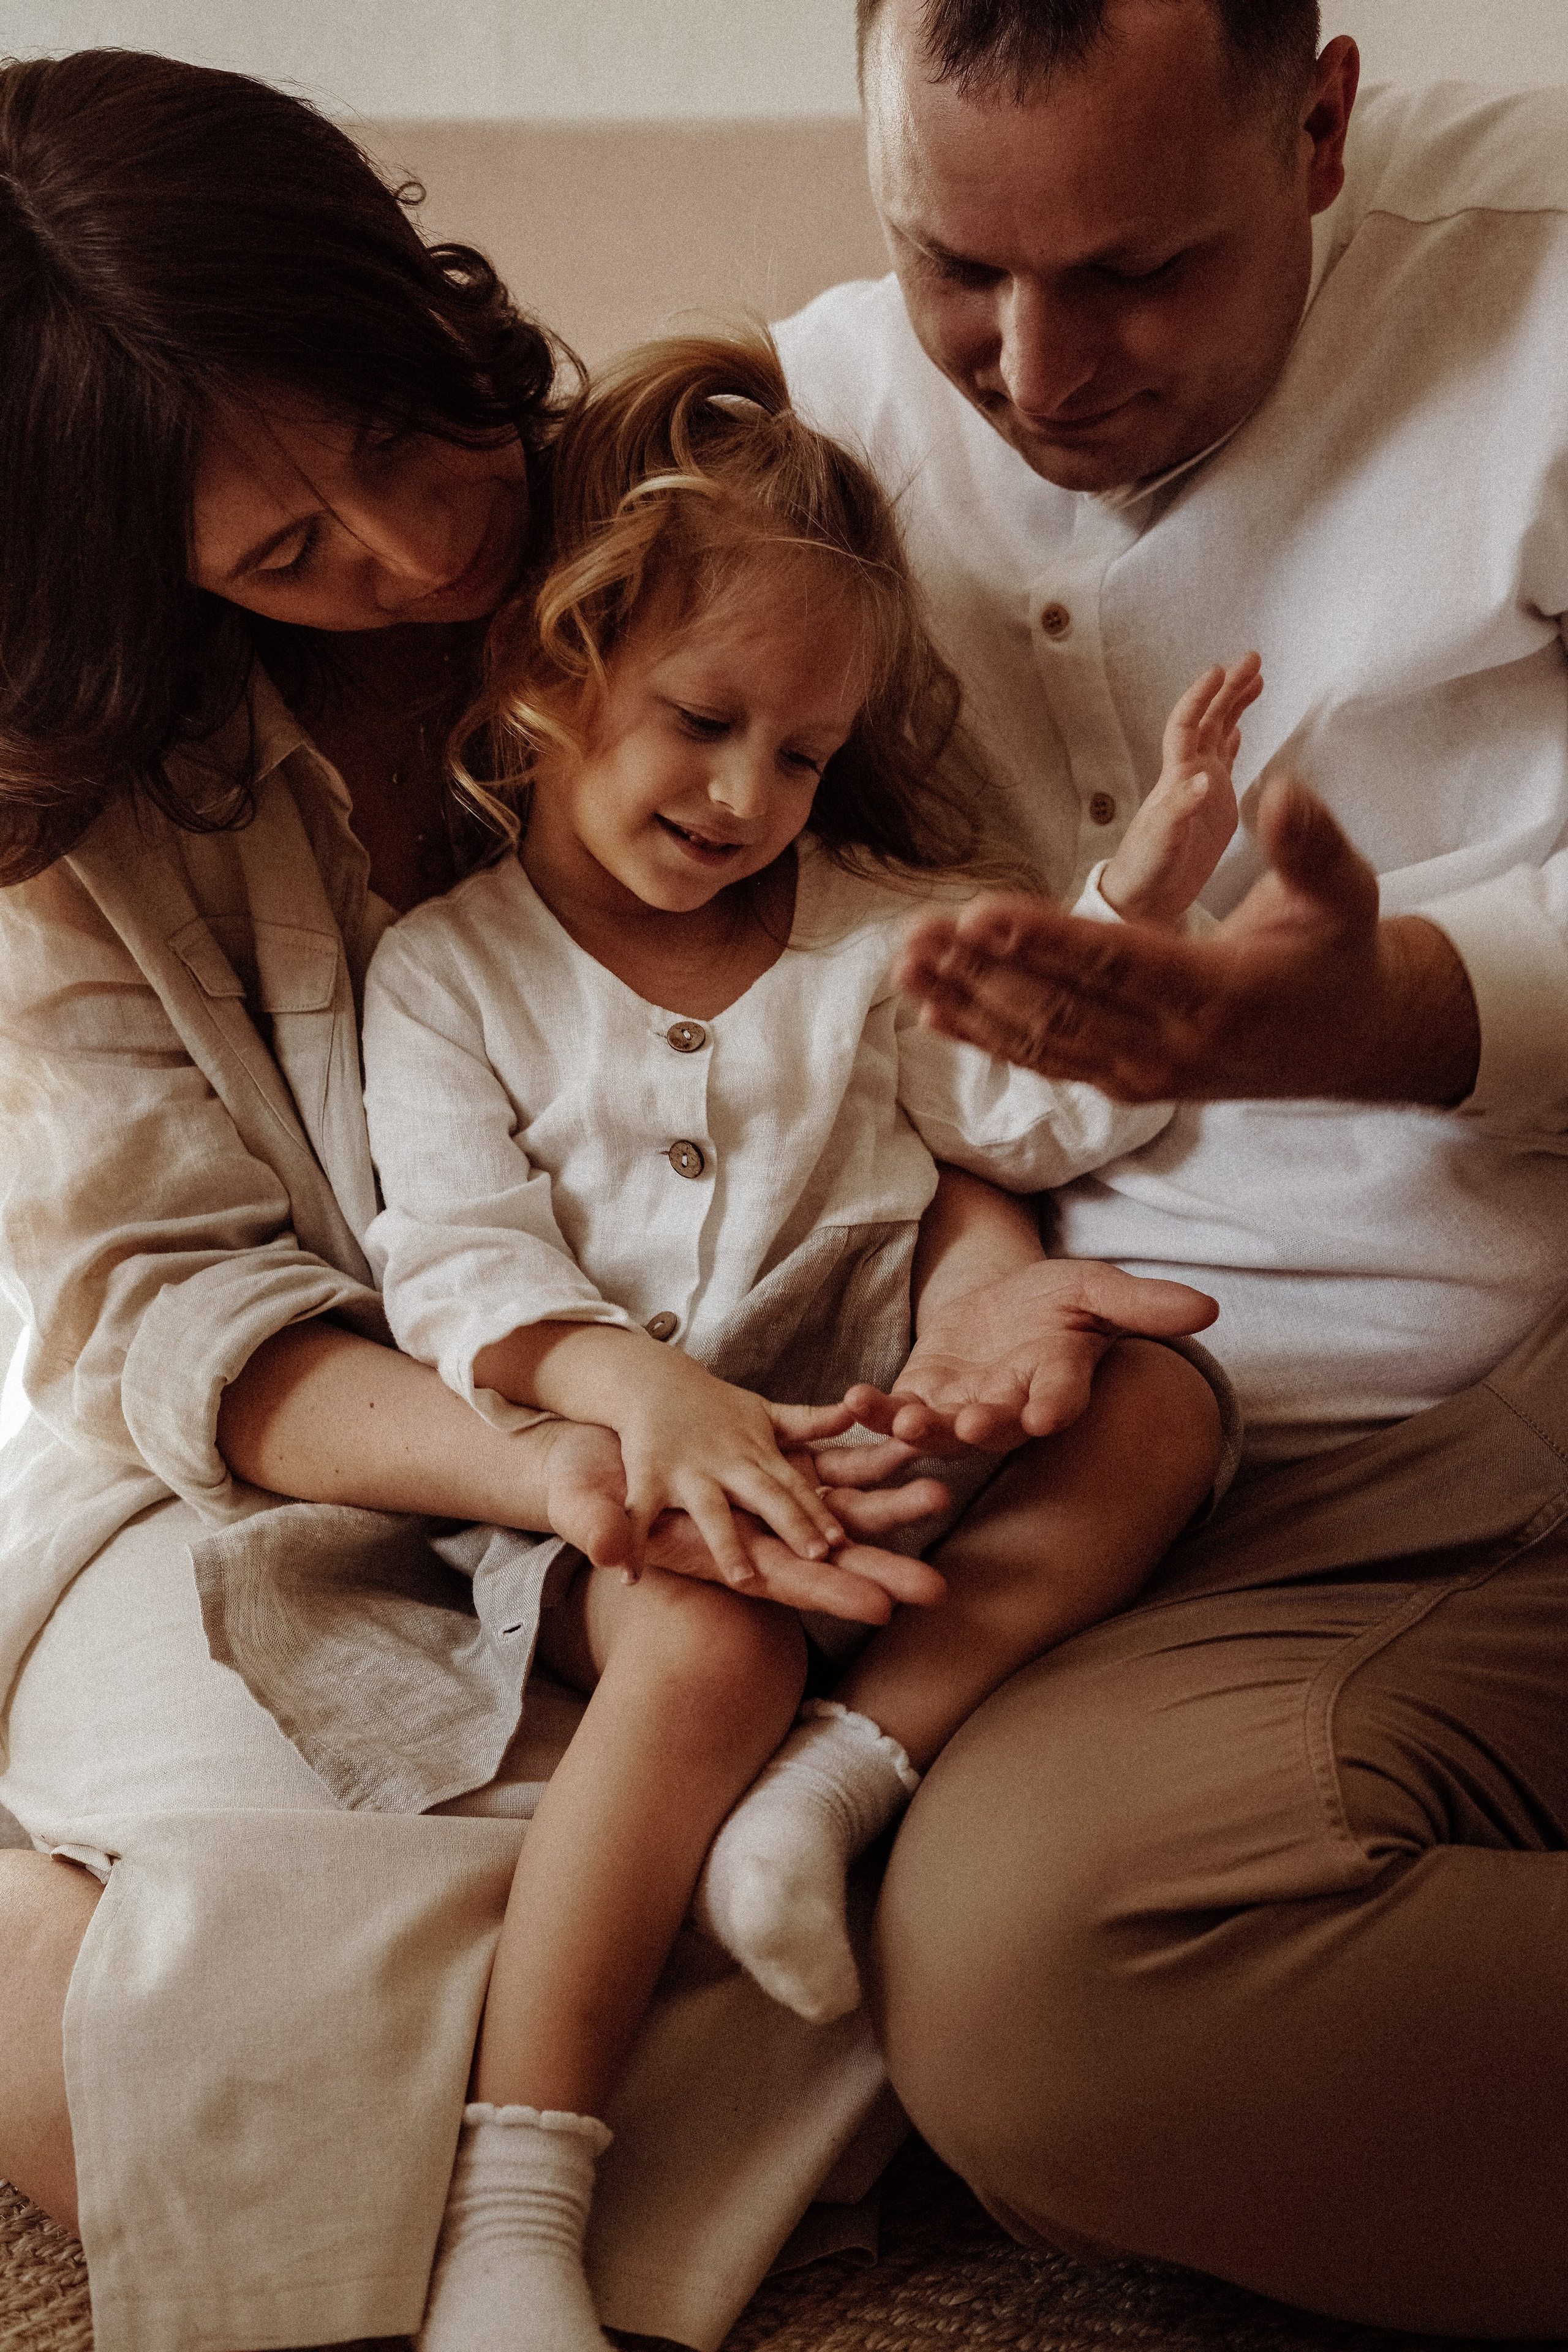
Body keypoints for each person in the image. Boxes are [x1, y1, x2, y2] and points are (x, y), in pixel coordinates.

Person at [0, 43, 1226, 2352]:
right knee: (209, 1963)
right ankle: (442, 2119)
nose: (408, 551)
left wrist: (983, 1286)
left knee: (876, 1778)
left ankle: (549, 2060)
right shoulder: (96, 811)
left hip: (788, 1400)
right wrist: (581, 1454)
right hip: (337, 1474)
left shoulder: (704, 505)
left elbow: (934, 993)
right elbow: (177, 1317)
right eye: (285, 550)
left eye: (389, 434)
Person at [776, 0, 1568, 2335]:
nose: (1035, 367)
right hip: (1189, 1471)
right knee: (1026, 1994)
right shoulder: (806, 423)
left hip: (1535, 1324)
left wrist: (1399, 1009)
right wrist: (974, 1273)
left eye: (1135, 271)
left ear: (1317, 123)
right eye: (960, 267)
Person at [357, 328, 1250, 2349]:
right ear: (548, 670)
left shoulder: (876, 934)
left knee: (1169, 1405)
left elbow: (1033, 1121)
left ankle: (836, 1782)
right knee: (711, 1631)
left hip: (879, 1457)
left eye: (807, 755)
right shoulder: (451, 976)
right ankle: (517, 2212)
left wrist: (1137, 909)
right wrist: (639, 1396)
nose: (751, 794)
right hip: (608, 1510)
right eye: (702, 721)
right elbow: (460, 1274)